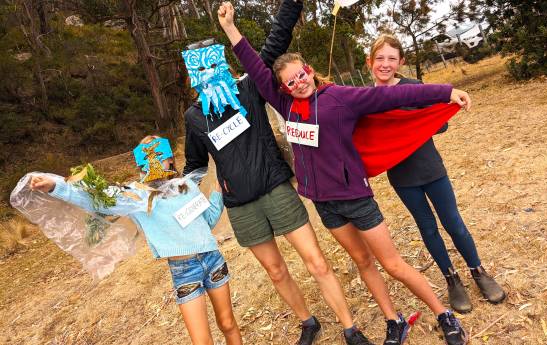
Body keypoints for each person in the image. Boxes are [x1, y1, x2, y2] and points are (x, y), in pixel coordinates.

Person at [219, 2, 470, 344]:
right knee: (363, 262)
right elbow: (255, 68)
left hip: (356, 198)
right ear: (283, 88)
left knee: (393, 265)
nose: (299, 82)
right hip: (326, 205)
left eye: (301, 74)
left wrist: (445, 92)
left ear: (309, 70)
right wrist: (231, 28)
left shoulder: (341, 98)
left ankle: (445, 314)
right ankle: (393, 320)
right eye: (290, 82)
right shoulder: (286, 105)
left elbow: (400, 96)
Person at [183, 1, 375, 344]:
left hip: (276, 188)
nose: (210, 72)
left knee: (316, 262)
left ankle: (349, 327)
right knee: (275, 271)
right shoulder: (194, 117)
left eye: (214, 62)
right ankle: (308, 321)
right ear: (191, 75)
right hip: (241, 206)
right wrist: (171, 188)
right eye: (201, 67)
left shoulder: (248, 89)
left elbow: (276, 44)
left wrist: (291, 5)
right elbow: (194, 166)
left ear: (223, 62)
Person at [27, 135, 242, 345]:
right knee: (201, 340)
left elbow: (207, 223)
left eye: (160, 156)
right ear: (142, 167)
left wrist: (216, 194)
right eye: (149, 160)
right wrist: (57, 186)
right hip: (184, 272)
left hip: (213, 260)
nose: (156, 163)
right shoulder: (138, 196)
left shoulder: (187, 186)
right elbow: (100, 199)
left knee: (228, 323)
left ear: (170, 159)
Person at [366, 34, 506, 313]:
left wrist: (415, 123)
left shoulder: (414, 87)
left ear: (401, 61)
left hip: (431, 169)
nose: (385, 64)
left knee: (453, 222)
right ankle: (451, 278)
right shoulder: (365, 99)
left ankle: (478, 271)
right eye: (379, 58)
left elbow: (439, 123)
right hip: (402, 178)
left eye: (391, 58)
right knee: (427, 227)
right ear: (369, 62)